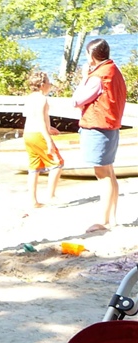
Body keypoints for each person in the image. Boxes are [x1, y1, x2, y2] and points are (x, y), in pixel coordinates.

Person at [72, 38, 127, 232]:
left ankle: (104, 221)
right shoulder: (114, 70)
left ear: (91, 56)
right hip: (111, 126)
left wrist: (84, 77)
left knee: (102, 174)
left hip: (99, 127)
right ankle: (112, 218)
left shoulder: (97, 77)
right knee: (109, 172)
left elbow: (76, 100)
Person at [23, 70, 64, 208]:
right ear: (42, 85)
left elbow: (31, 117)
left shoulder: (29, 98)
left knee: (34, 167)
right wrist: (48, 139)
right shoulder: (42, 99)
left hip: (28, 134)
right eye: (48, 82)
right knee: (57, 163)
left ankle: (33, 200)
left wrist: (49, 127)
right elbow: (40, 119)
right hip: (38, 134)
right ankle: (51, 195)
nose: (50, 85)